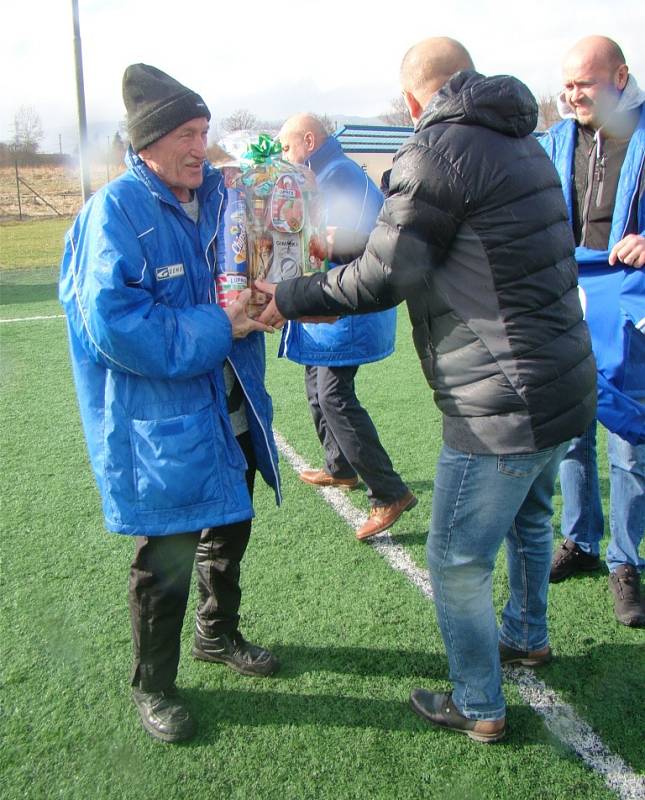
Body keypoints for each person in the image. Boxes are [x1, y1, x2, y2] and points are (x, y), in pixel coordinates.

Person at [257, 37, 596, 742]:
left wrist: (287, 296)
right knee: (531, 521)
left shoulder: (436, 150)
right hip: (562, 380)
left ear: (414, 100)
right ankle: (526, 635)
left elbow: (388, 273)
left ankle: (478, 703)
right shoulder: (524, 141)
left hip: (498, 397)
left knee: (454, 560)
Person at [59, 64, 282, 743]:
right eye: (185, 134)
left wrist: (272, 297)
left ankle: (216, 635)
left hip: (231, 404)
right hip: (166, 421)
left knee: (231, 528)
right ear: (147, 142)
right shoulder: (116, 212)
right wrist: (226, 325)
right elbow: (116, 328)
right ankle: (153, 685)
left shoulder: (223, 194)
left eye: (205, 132)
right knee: (169, 557)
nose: (199, 147)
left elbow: (253, 266)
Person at [539, 36, 645, 627]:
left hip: (631, 306)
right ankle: (580, 540)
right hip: (569, 300)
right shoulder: (555, 141)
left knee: (629, 436)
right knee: (573, 428)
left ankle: (625, 561)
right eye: (569, 85)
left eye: (586, 82)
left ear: (622, 76)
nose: (574, 95)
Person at [276, 114, 416, 540]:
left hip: (348, 305)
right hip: (333, 301)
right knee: (317, 385)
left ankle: (389, 492)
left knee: (334, 394)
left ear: (307, 140)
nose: (284, 157)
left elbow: (348, 241)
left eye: (286, 148)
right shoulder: (328, 171)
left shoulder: (334, 176)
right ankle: (340, 468)